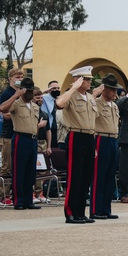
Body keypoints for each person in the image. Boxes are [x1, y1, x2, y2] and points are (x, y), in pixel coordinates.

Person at [56, 66, 98, 224]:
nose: (89, 82)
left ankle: (81, 212)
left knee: (86, 177)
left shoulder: (90, 98)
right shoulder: (71, 95)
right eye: (85, 79)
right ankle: (70, 212)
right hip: (76, 135)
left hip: (89, 137)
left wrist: (93, 145)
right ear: (77, 79)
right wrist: (73, 87)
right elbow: (59, 103)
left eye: (89, 79)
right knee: (75, 176)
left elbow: (93, 120)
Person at [0, 77, 41, 210]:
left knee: (30, 171)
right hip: (20, 138)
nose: (29, 93)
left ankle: (29, 200)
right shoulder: (16, 103)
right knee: (19, 170)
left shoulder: (35, 106)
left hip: (33, 139)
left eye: (31, 91)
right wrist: (16, 95)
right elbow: (3, 109)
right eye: (27, 90)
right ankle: (19, 200)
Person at [91, 74, 123, 220]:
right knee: (99, 176)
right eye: (112, 90)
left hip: (113, 140)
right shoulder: (96, 103)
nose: (115, 93)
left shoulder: (114, 105)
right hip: (101, 138)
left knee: (110, 176)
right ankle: (96, 209)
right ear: (104, 89)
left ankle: (106, 208)